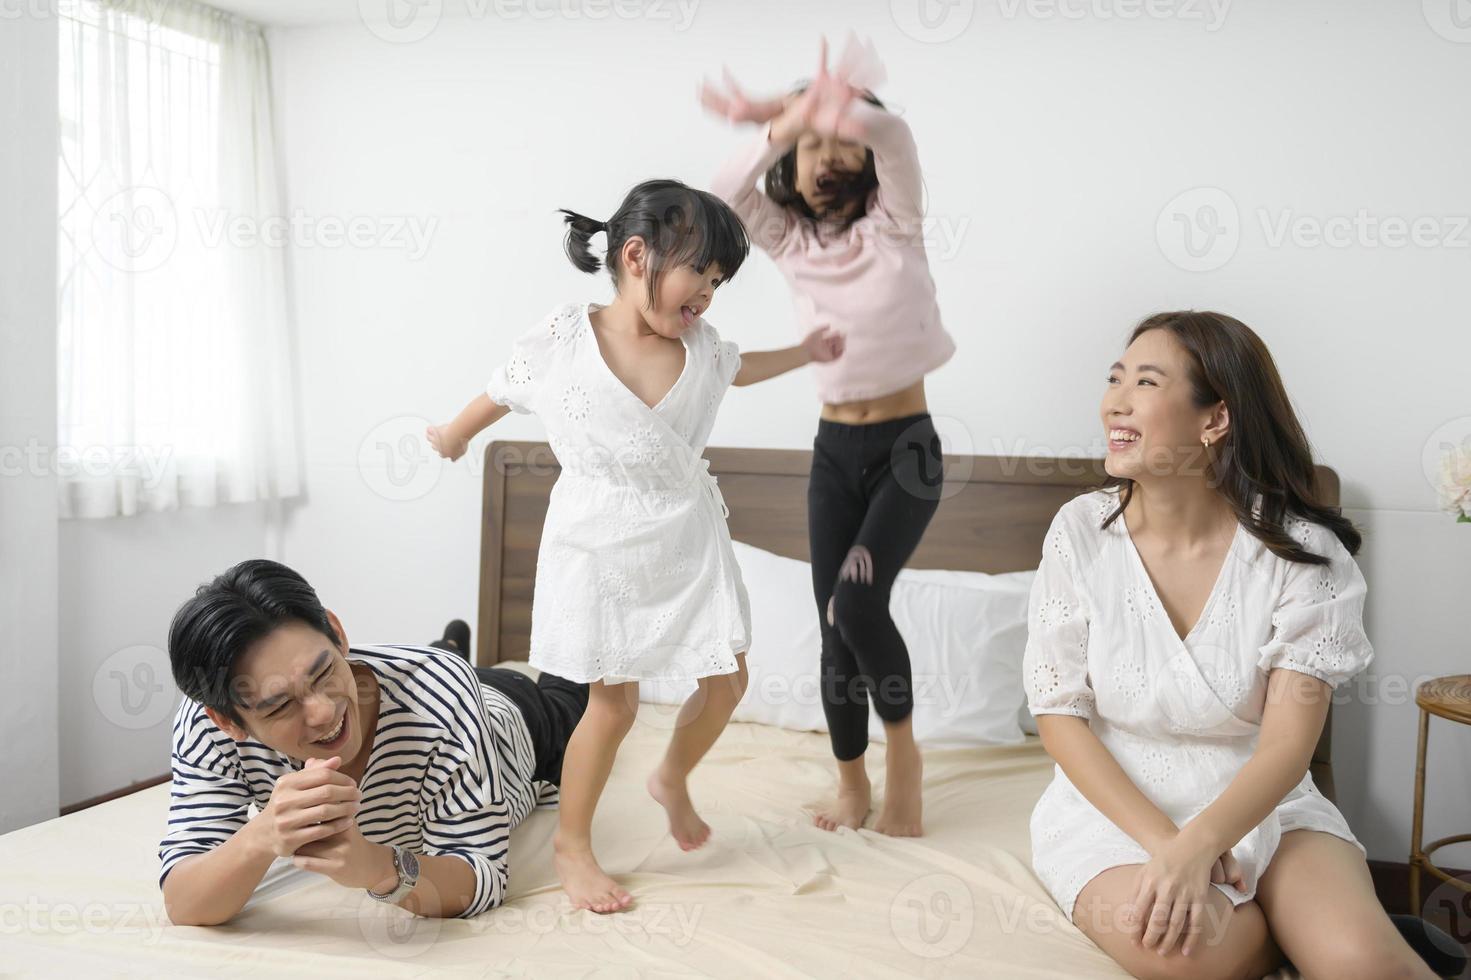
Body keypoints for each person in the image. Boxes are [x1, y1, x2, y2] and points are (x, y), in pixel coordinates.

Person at [426, 178, 843, 913]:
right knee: (610, 707)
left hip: (685, 533)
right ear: (636, 255)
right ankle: (572, 846)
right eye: (699, 274)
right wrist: (456, 433)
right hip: (595, 540)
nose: (708, 294)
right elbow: (505, 385)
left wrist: (808, 350)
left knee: (727, 680)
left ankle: (671, 776)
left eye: (718, 282)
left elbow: (748, 368)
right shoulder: (566, 336)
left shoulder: (706, 350)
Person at [1023, 311, 1436, 978]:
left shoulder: (1302, 554)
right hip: (1117, 813)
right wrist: (1171, 848)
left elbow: (1284, 746)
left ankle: (1342, 933)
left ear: (1214, 420)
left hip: (1263, 801)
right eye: (1114, 378)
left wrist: (1206, 841)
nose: (1114, 402)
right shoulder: (1079, 532)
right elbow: (1058, 714)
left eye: (1146, 382)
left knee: (1364, 962)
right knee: (1197, 956)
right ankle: (1289, 935)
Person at [703, 35, 953, 836]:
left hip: (905, 452)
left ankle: (904, 761)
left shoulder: (896, 224)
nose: (824, 156)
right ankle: (851, 784)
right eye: (809, 148)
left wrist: (830, 108)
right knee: (831, 628)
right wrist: (778, 123)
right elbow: (719, 198)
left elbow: (895, 137)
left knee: (855, 601)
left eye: (840, 141)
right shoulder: (790, 242)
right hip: (832, 456)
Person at [159, 559, 587, 924]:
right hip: (432, 690)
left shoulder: (440, 693)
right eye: (279, 707)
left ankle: (457, 649)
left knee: (570, 697)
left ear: (337, 632)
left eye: (324, 672)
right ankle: (450, 640)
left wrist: (378, 868)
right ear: (227, 721)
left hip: (510, 719)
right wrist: (262, 835)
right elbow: (184, 901)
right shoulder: (206, 726)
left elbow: (484, 879)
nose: (323, 712)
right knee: (442, 670)